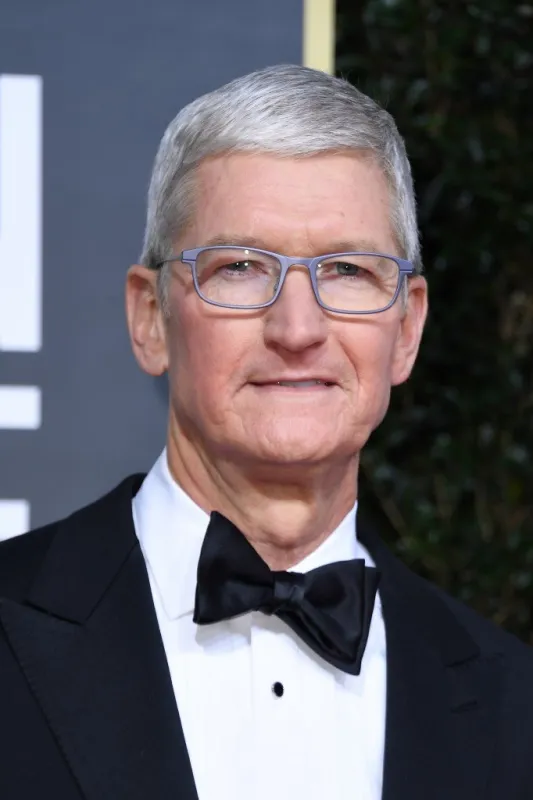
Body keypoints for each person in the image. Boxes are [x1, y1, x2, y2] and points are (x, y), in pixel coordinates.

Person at [0, 64, 531, 800]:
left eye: (346, 270)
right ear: (150, 318)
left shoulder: (512, 706)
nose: (297, 329)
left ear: (406, 330)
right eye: (242, 267)